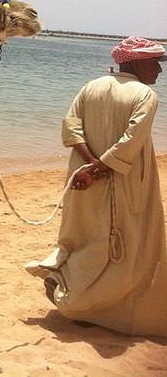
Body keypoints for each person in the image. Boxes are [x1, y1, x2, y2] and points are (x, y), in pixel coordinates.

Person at [25, 36, 167, 337]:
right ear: (138, 62)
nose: (159, 70)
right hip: (123, 179)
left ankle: (70, 288)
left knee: (85, 234)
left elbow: (71, 127)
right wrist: (101, 168)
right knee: (124, 242)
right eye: (155, 62)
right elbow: (132, 139)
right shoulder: (144, 95)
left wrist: (90, 166)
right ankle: (89, 304)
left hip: (82, 177)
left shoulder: (91, 86)